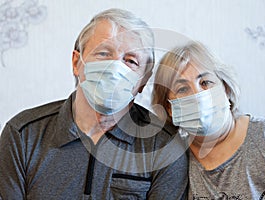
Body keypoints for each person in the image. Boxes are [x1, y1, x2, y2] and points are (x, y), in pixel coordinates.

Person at [0, 8, 188, 199]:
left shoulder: (165, 147)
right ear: (76, 63)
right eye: (104, 53)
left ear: (144, 81)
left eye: (131, 61)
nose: (115, 68)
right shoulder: (23, 135)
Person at [152, 41, 265, 199]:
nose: (197, 95)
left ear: (226, 88)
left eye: (205, 82)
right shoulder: (174, 159)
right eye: (182, 89)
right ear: (169, 108)